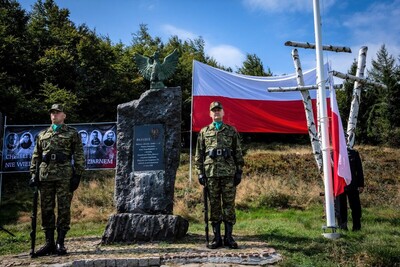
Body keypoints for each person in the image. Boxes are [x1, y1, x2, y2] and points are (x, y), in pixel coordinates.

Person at [29, 104, 85, 256]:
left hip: (64, 176)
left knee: (63, 208)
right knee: (46, 209)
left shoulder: (72, 133)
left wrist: (78, 175)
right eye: (52, 113)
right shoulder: (42, 134)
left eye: (58, 113)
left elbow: (79, 154)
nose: (54, 115)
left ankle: (60, 242)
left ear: (64, 116)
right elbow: (36, 155)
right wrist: (33, 174)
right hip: (45, 176)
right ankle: (49, 243)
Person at [195, 101, 244, 249]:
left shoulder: (231, 131)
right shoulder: (204, 132)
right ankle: (217, 238)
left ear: (223, 113)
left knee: (229, 205)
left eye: (219, 110)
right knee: (214, 206)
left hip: (228, 174)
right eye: (213, 111)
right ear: (210, 114)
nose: (216, 113)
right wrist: (200, 173)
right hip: (211, 175)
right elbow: (199, 155)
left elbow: (238, 152)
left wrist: (239, 171)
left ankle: (228, 237)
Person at [335, 147, 365, 231]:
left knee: (356, 207)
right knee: (340, 208)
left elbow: (359, 170)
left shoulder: (353, 153)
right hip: (339, 186)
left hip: (352, 185)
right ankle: (342, 227)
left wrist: (361, 184)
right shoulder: (333, 153)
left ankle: (357, 227)